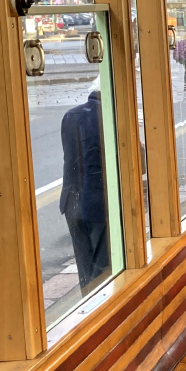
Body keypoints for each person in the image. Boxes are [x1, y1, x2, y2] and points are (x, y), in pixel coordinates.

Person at [60, 89, 111, 289]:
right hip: (99, 202)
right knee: (102, 269)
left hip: (71, 202)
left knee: (84, 268)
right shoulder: (109, 117)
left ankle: (87, 307)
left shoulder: (70, 116)